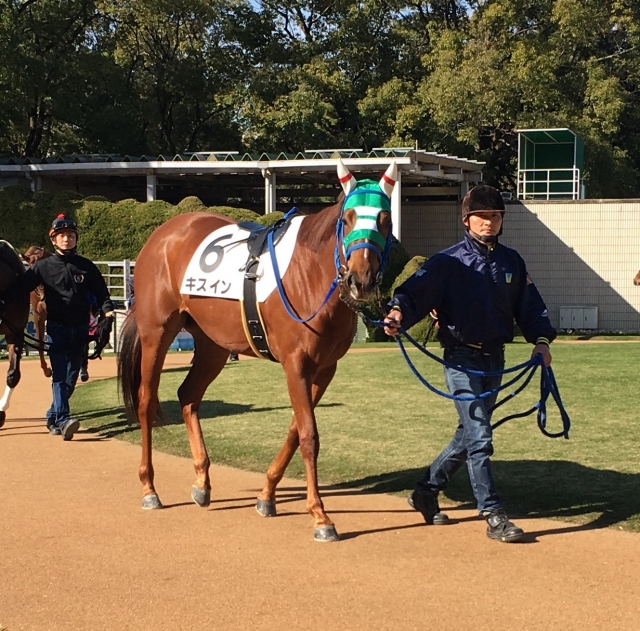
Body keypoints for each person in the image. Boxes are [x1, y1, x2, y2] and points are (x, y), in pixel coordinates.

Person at [383, 184, 555, 543]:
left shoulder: (512, 261)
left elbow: (530, 306)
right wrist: (399, 311)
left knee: (466, 436)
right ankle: (493, 514)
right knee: (480, 436)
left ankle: (425, 491)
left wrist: (540, 341)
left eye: (495, 216)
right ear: (466, 220)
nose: (488, 222)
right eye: (482, 216)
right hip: (460, 359)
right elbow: (415, 292)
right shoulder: (447, 262)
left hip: (496, 358)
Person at [0, 215, 114, 440]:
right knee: (60, 376)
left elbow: (102, 294)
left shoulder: (86, 266)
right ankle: (63, 420)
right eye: (62, 236)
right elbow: (20, 289)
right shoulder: (42, 268)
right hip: (57, 328)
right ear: (54, 240)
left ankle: (52, 416)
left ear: (75, 239)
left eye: (70, 236)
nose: (66, 239)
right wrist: (3, 302)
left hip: (81, 330)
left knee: (71, 377)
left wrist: (107, 316)